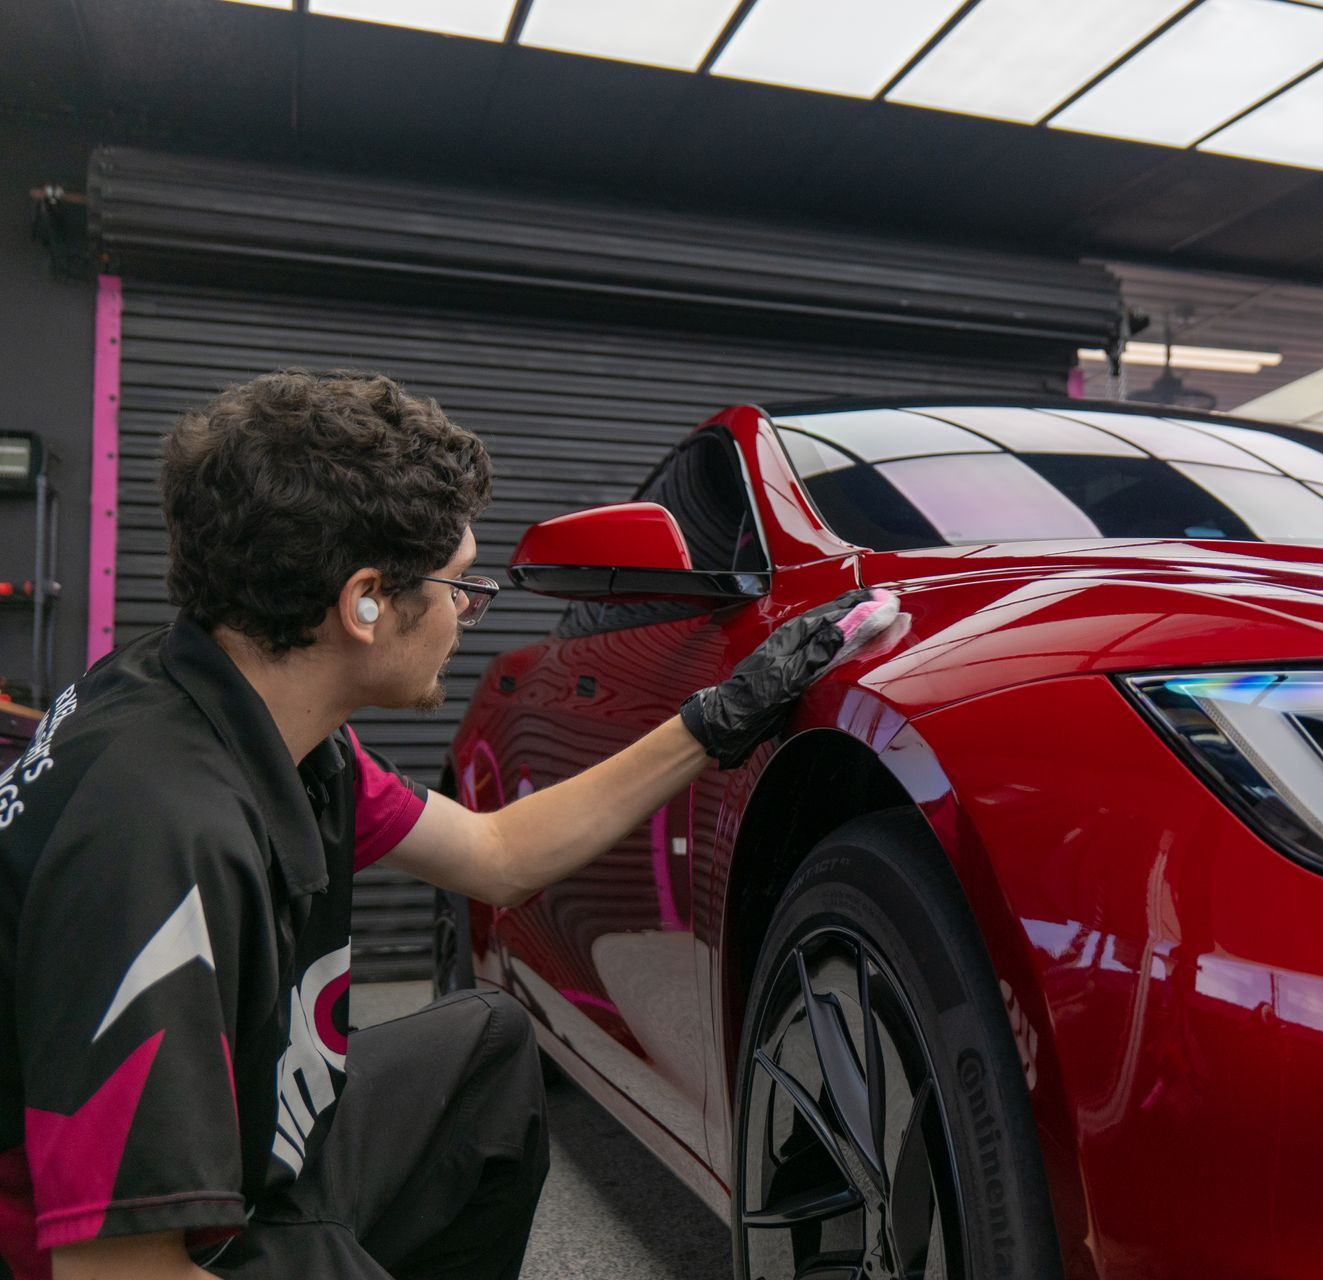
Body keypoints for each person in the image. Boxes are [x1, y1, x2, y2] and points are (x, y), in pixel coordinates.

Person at [0, 371, 888, 1280]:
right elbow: (119, 1274)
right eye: (458, 583)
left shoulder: (250, 714)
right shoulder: (156, 841)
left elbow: (498, 853)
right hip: (125, 1253)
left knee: (487, 1051)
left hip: (248, 1155)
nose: (469, 610)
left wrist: (714, 722)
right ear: (365, 603)